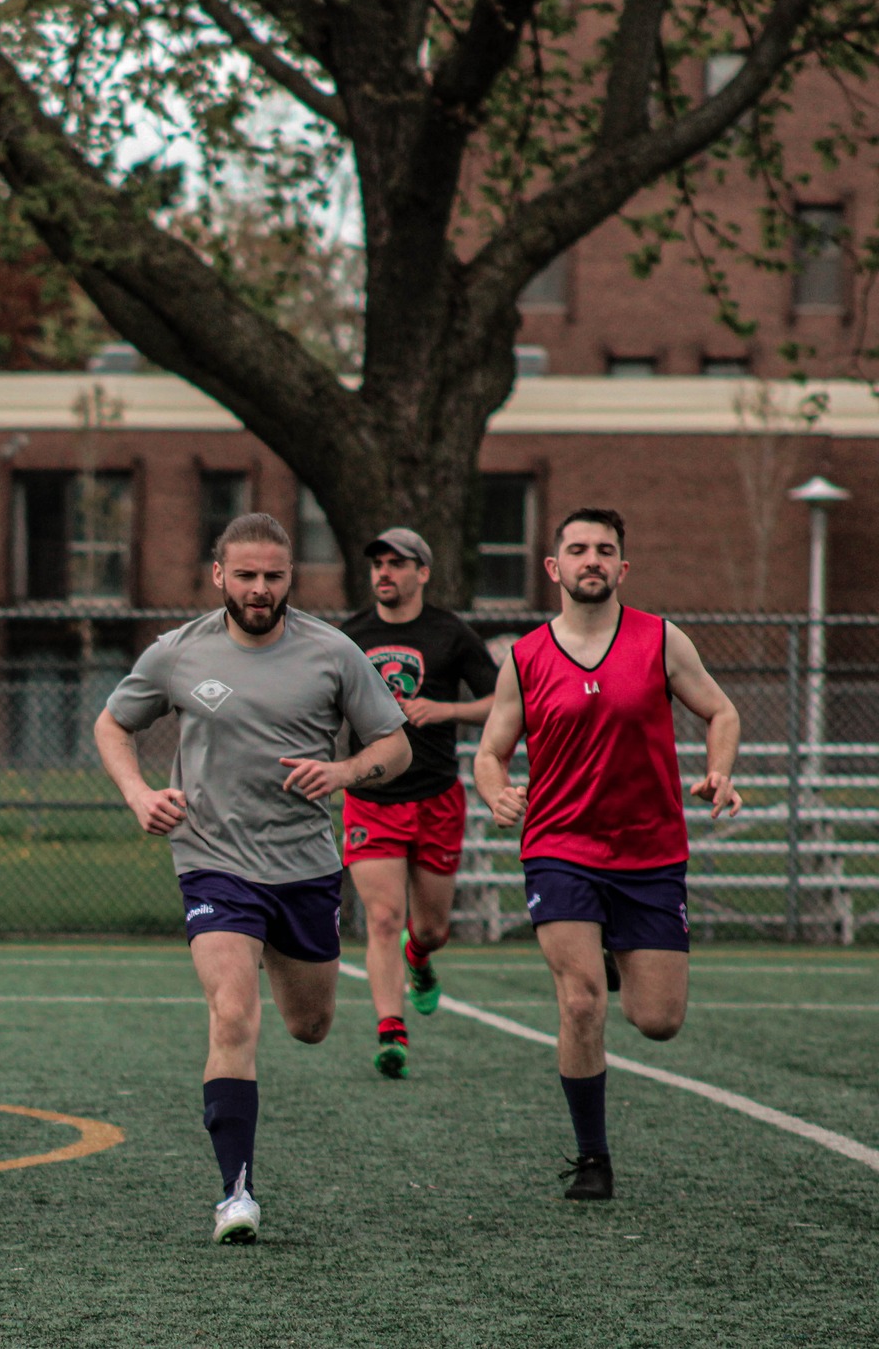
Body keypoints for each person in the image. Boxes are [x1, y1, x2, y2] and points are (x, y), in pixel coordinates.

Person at [94, 512, 410, 1245]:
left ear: (290, 576)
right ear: (219, 576)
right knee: (233, 1013)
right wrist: (141, 794)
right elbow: (113, 725)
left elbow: (392, 745)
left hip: (303, 867)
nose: (260, 588)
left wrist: (341, 771)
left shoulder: (332, 652)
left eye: (273, 575)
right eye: (246, 575)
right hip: (213, 859)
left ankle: (283, 957)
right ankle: (235, 1193)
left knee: (310, 1025)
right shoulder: (178, 653)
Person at [473, 508, 741, 1202]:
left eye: (605, 550)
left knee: (658, 1021)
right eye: (578, 549)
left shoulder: (659, 639)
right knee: (581, 1001)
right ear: (553, 567)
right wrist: (498, 792)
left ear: (622, 568)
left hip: (650, 851)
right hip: (560, 848)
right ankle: (593, 1157)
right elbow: (491, 751)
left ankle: (620, 956)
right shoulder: (526, 657)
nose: (591, 559)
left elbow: (721, 711)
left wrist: (719, 770)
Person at [337, 528, 498, 1079]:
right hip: (372, 798)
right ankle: (391, 1031)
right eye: (377, 563)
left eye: (397, 563)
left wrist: (444, 711)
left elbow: (504, 701)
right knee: (383, 918)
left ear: (423, 573)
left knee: (429, 928)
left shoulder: (449, 632)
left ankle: (420, 959)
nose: (384, 572)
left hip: (436, 796)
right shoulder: (351, 634)